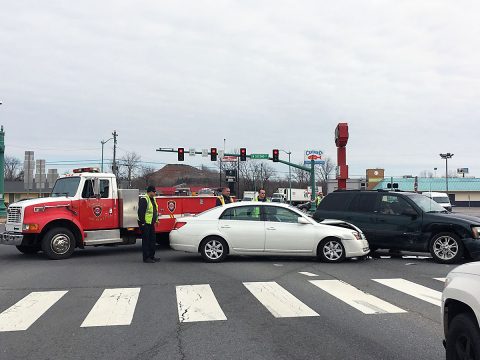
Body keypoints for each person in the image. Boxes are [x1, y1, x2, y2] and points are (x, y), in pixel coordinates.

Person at [138, 185, 159, 263]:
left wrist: (156, 220)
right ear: (150, 192)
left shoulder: (152, 199)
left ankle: (152, 256)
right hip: (145, 223)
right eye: (154, 191)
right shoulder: (144, 199)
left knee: (152, 240)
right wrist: (143, 223)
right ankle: (146, 258)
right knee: (146, 241)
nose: (155, 193)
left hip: (151, 223)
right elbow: (141, 212)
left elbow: (154, 211)